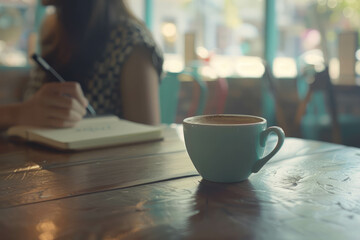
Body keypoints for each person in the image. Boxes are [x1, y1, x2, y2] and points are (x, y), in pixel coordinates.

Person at [1, 0, 163, 129]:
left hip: (102, 169)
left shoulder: (131, 42)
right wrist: (22, 113)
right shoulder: (52, 29)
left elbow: (148, 140)